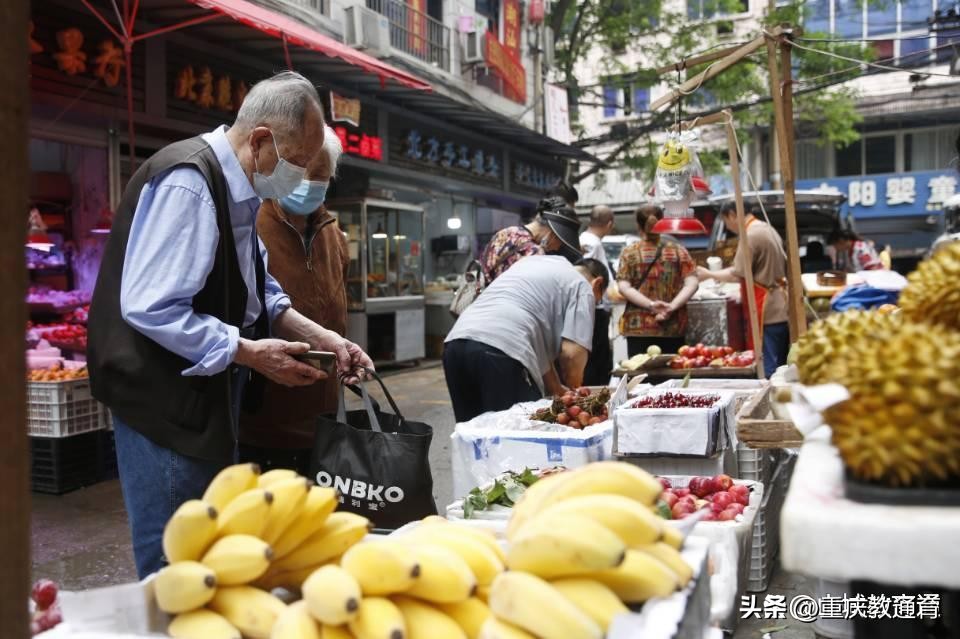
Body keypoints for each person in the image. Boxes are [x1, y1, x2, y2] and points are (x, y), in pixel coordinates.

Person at [87, 72, 374, 579]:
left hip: (206, 400)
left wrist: (323, 338)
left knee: (208, 553)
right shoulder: (190, 183)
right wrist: (250, 353)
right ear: (261, 141)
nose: (305, 179)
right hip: (164, 404)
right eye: (301, 163)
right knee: (177, 561)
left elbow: (260, 290)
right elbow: (152, 306)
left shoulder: (241, 193)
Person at [239, 124, 348, 475]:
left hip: (326, 414)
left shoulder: (332, 231)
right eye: (302, 172)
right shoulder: (250, 222)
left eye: (320, 176)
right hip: (264, 415)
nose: (309, 184)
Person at [443, 256, 608, 423]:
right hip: (502, 349)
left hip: (456, 343)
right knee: (515, 433)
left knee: (471, 436)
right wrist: (576, 392)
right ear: (597, 284)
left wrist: (558, 389)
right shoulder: (582, 286)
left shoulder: (535, 264)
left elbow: (541, 355)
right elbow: (572, 355)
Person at [697, 202, 789, 378]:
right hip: (780, 306)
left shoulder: (751, 235)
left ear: (733, 214)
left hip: (767, 310)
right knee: (781, 368)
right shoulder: (765, 228)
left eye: (726, 221)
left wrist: (708, 273)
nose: (729, 227)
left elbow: (737, 274)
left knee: (767, 370)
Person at [616, 205, 699, 357]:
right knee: (672, 377)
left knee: (640, 376)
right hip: (672, 327)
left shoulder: (629, 253)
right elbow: (692, 283)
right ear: (663, 222)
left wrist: (652, 305)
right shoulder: (678, 251)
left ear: (638, 225)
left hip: (638, 328)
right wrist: (671, 307)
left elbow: (624, 287)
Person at [479, 198, 582, 283]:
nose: (557, 247)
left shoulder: (506, 232)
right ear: (552, 234)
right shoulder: (534, 253)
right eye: (560, 242)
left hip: (481, 300)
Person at [579, 205, 616, 385]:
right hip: (595, 308)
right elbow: (587, 272)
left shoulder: (587, 239)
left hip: (594, 306)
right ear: (609, 224)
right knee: (597, 362)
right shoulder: (591, 243)